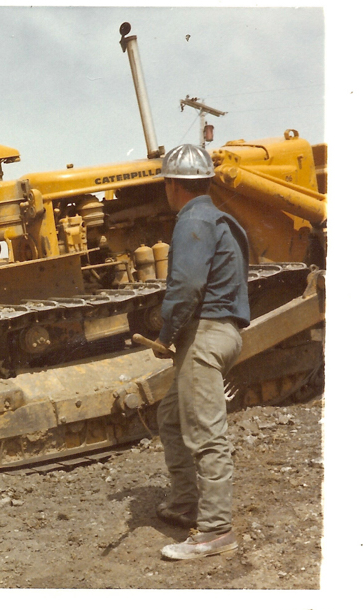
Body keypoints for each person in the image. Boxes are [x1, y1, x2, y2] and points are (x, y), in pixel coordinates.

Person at [151, 143, 250, 560]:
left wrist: (166, 334)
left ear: (174, 185)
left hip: (204, 336)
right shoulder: (219, 217)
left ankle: (214, 530)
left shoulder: (192, 219)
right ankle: (185, 503)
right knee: (171, 416)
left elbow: (187, 286)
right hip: (221, 330)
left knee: (207, 434)